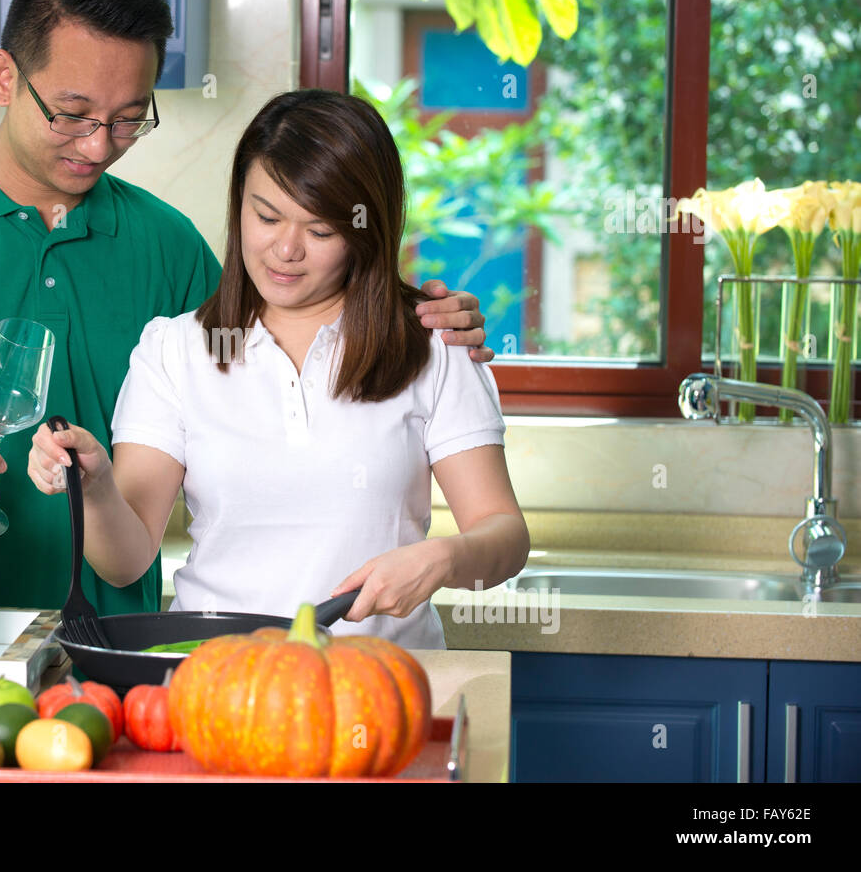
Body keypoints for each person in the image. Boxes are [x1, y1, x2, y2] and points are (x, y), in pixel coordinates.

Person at [0, 0, 495, 617]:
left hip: (112, 640)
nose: (98, 144)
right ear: (5, 77)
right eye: (73, 114)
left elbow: (275, 356)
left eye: (127, 120)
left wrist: (412, 314)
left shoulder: (167, 246)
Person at [28, 90, 528, 647]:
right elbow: (125, 562)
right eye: (266, 216)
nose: (285, 250)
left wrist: (443, 559)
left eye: (320, 231)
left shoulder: (434, 346)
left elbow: (505, 541)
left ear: (366, 230)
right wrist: (94, 489)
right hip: (219, 685)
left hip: (375, 688)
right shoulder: (175, 350)